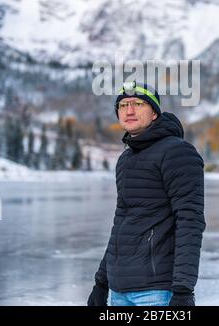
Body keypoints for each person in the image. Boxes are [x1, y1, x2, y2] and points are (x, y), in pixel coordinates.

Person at [88, 81, 205, 307]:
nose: (129, 111)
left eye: (138, 104)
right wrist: (101, 282)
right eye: (123, 105)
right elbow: (121, 222)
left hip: (157, 291)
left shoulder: (178, 152)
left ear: (154, 113)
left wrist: (183, 289)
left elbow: (190, 220)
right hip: (119, 288)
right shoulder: (126, 159)